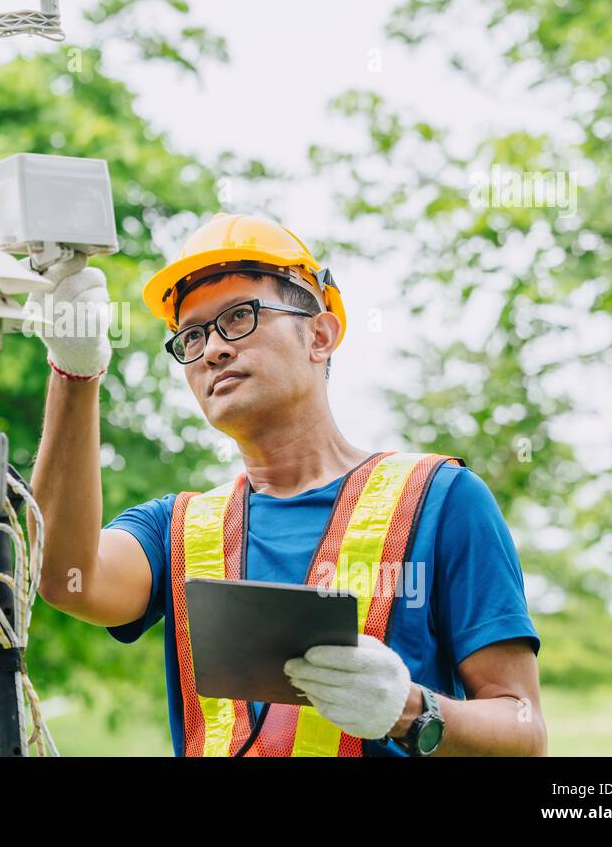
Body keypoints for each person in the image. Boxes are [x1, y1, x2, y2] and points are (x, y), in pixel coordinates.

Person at [28, 212, 545, 757]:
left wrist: (411, 711)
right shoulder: (177, 529)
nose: (212, 350)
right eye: (192, 335)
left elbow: (524, 729)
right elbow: (67, 578)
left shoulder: (440, 499)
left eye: (239, 317)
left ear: (320, 335)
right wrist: (75, 372)